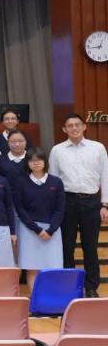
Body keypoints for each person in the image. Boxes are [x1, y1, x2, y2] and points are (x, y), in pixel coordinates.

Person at [49, 113, 108, 297]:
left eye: (77, 124)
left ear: (84, 127)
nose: (74, 128)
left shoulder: (97, 148)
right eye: (70, 125)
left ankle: (91, 287)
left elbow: (105, 176)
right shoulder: (57, 150)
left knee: (90, 247)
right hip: (67, 201)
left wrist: (105, 204)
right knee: (67, 246)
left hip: (91, 202)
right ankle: (69, 287)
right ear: (64, 129)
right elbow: (53, 180)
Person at [13, 149, 65, 292]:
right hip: (29, 230)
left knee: (53, 268)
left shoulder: (56, 182)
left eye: (39, 159)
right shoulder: (21, 182)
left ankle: (51, 300)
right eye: (31, 160)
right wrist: (37, 229)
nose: (35, 163)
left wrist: (51, 230)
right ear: (27, 163)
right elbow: (20, 209)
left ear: (45, 162)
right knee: (32, 268)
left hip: (52, 231)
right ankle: (36, 300)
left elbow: (60, 209)